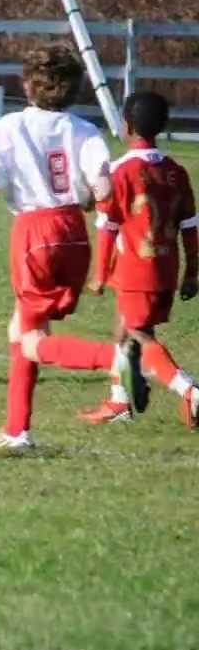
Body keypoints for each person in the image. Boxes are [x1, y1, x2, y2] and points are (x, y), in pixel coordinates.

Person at [0, 42, 148, 451]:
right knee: (23, 329)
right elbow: (101, 189)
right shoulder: (84, 130)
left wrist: (0, 176)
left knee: (28, 338)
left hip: (34, 232)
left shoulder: (3, 130)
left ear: (27, 85)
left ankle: (111, 360)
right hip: (74, 231)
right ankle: (16, 429)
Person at [79, 91, 199, 429]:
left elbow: (107, 227)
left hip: (136, 269)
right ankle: (119, 402)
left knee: (139, 333)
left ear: (126, 126)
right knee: (123, 329)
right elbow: (190, 227)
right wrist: (192, 274)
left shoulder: (120, 171)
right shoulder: (176, 172)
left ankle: (188, 389)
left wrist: (99, 275)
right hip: (166, 267)